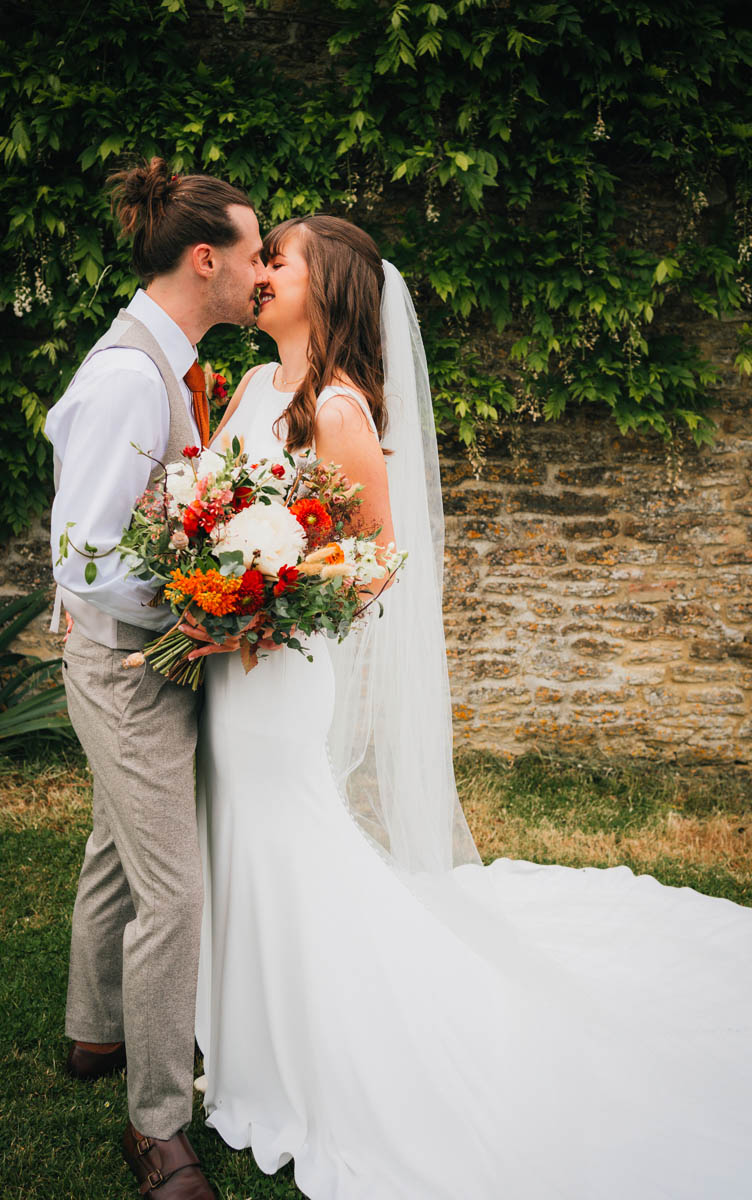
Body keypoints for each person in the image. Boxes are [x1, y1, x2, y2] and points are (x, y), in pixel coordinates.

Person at [193, 215, 752, 1199]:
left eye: (280, 256)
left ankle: (326, 1048)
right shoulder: (245, 390)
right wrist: (201, 577)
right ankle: (243, 1037)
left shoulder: (336, 412)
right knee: (231, 834)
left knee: (287, 839)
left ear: (327, 285)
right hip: (219, 661)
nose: (262, 269)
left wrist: (268, 609)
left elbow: (373, 558)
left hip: (277, 667)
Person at [45, 157, 266, 1200]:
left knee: (115, 849)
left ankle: (93, 1037)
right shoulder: (133, 375)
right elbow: (81, 555)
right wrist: (202, 602)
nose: (264, 267)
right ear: (207, 258)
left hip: (134, 652)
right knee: (173, 892)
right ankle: (158, 1127)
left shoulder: (166, 361)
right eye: (255, 249)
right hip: (129, 666)